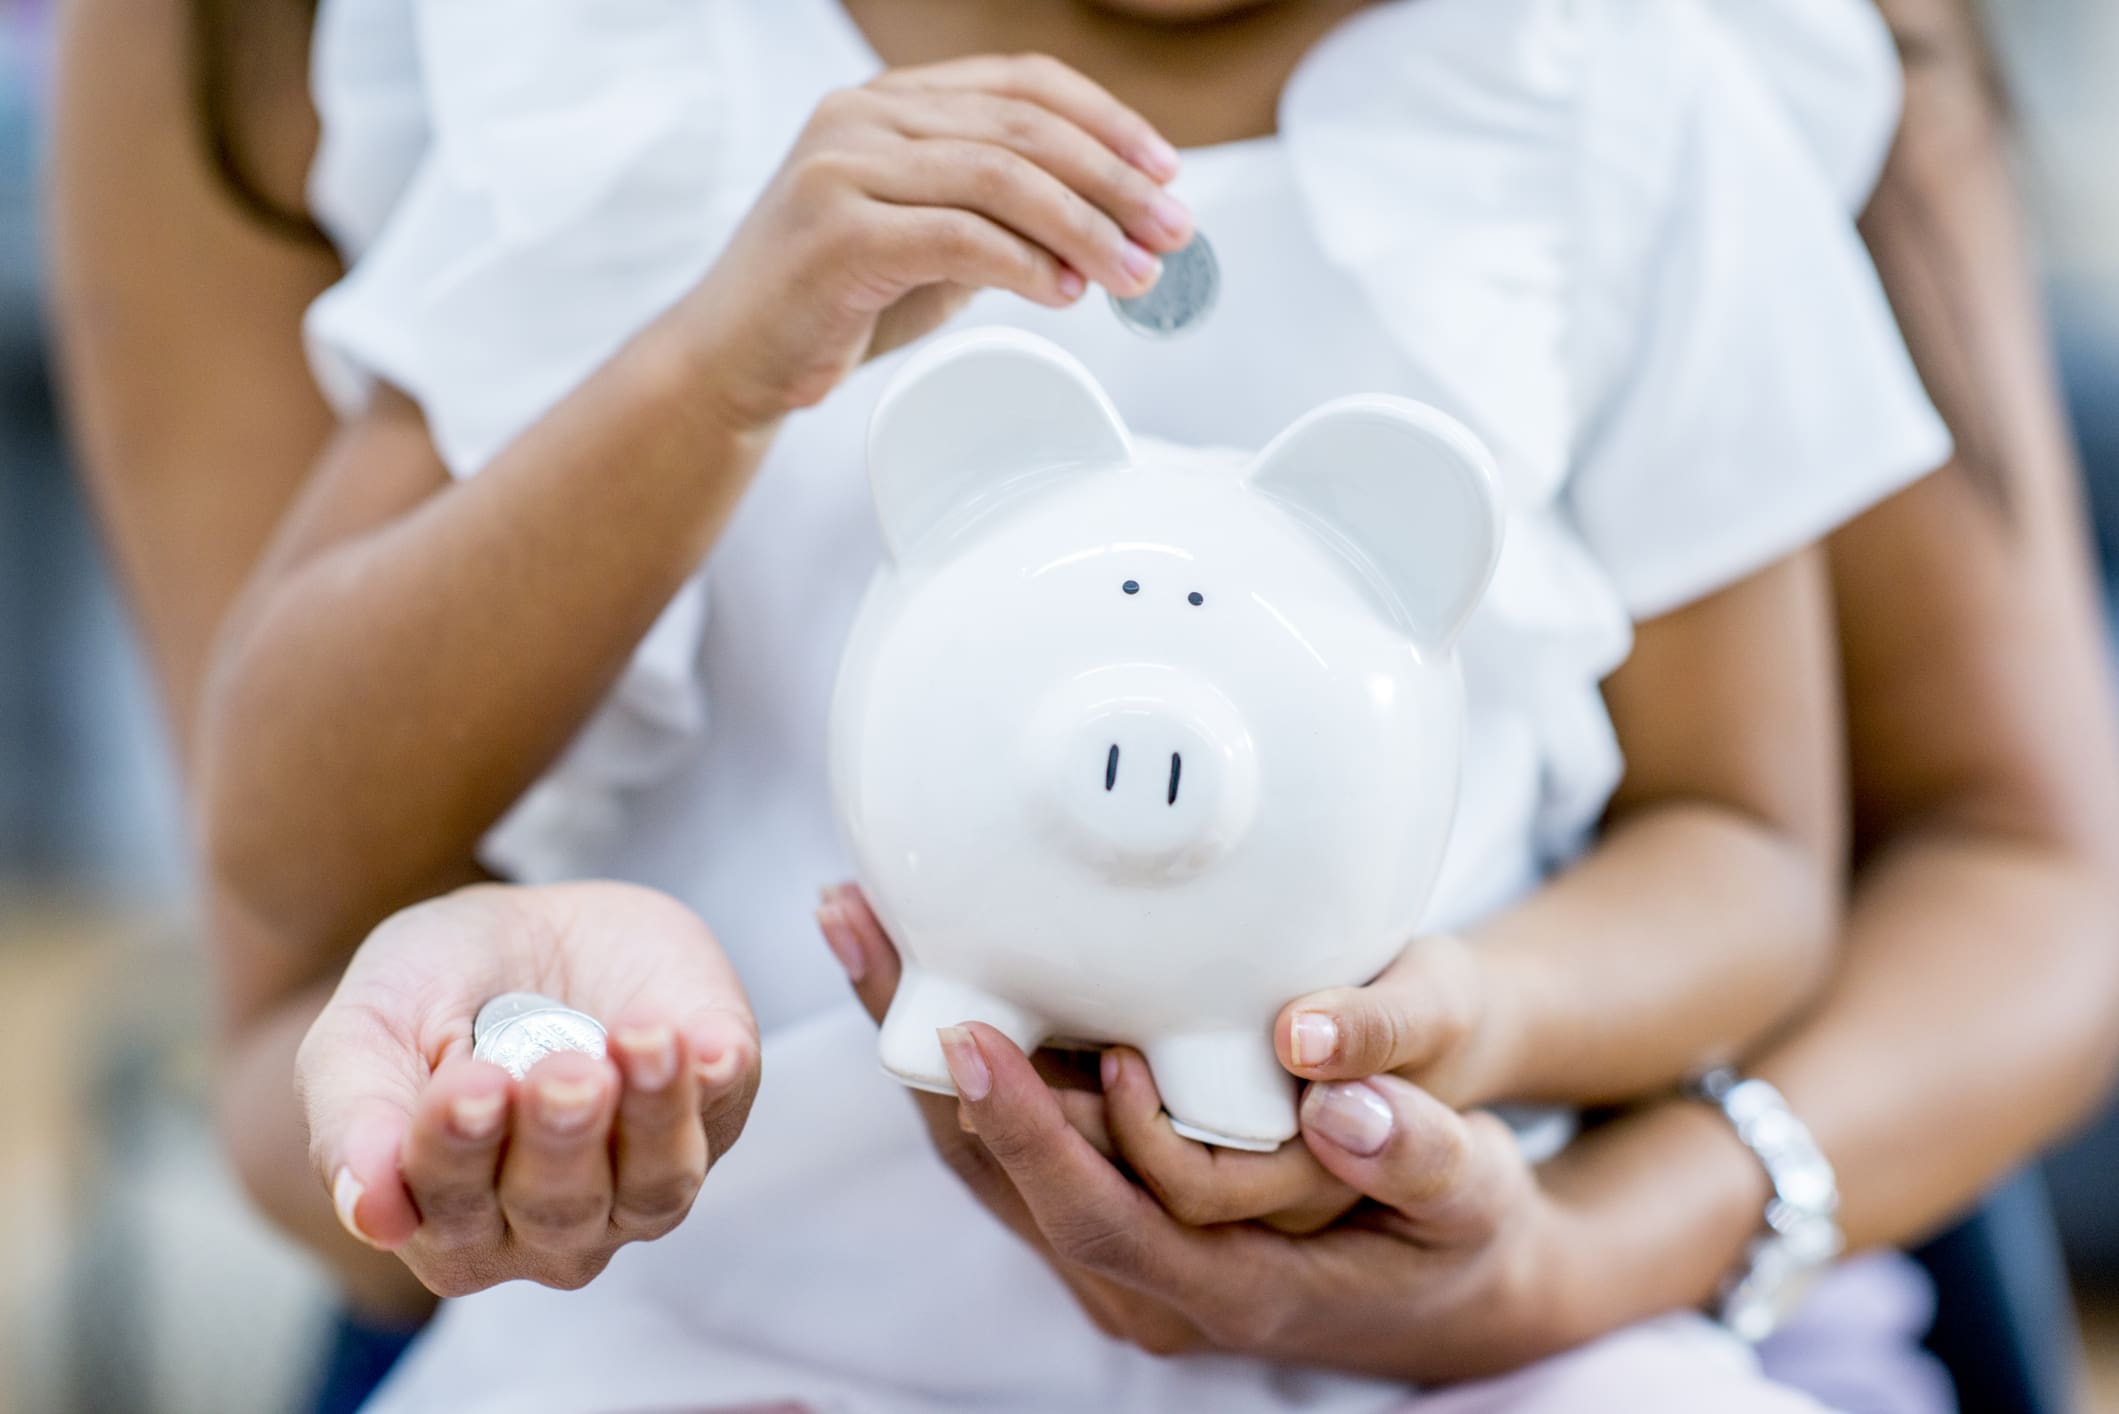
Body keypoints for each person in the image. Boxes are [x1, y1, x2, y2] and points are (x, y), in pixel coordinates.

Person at [42, 0, 2115, 1411]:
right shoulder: (626, 84)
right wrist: (716, 364)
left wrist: (1471, 1031)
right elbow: (283, 835)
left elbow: (1750, 849)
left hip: (1468, 1349)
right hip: (727, 1318)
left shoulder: (1602, 89)